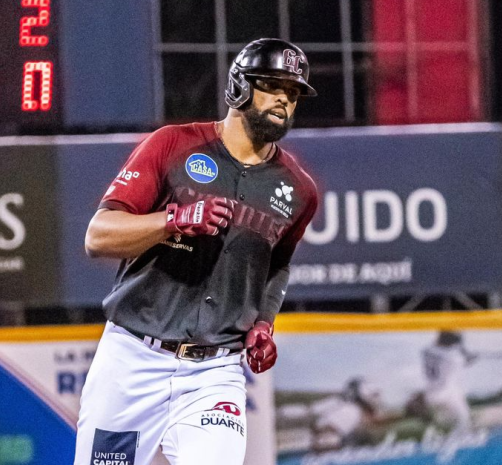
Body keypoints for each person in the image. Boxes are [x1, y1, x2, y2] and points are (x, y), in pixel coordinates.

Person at [74, 38, 320, 465]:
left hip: (215, 372)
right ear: (239, 86)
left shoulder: (300, 191)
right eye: (273, 85)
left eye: (294, 91)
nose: (285, 98)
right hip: (132, 360)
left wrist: (263, 322)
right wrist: (173, 220)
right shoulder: (172, 145)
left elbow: (277, 266)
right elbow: (98, 236)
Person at [420, 331, 478, 431]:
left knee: (444, 424)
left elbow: (437, 347)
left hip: (431, 395)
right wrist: (467, 353)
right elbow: (467, 361)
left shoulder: (426, 351)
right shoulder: (453, 358)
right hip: (448, 395)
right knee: (464, 421)